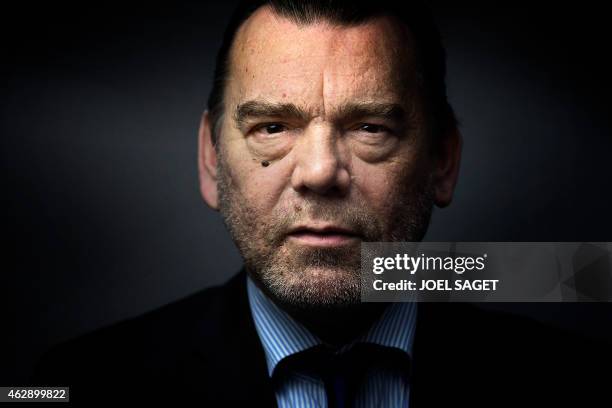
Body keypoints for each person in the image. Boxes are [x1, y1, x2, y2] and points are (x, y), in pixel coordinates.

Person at [32, 1, 610, 406]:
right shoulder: (78, 383)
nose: (319, 173)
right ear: (211, 159)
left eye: (371, 128)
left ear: (443, 161)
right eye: (272, 127)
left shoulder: (573, 381)